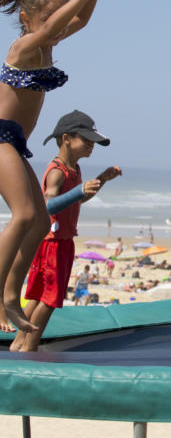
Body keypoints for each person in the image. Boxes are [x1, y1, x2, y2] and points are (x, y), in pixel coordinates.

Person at [0, 0, 114, 332]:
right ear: (26, 16)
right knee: (26, 216)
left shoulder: (48, 40)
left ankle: (9, 297)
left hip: (15, 143)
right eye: (50, 16)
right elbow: (54, 25)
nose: (59, 23)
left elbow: (79, 22)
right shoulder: (23, 47)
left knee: (36, 224)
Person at [10, 110, 121, 351]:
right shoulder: (58, 171)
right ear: (66, 138)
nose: (92, 146)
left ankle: (19, 344)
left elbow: (75, 201)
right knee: (49, 300)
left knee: (39, 296)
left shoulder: (74, 169)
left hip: (57, 239)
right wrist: (78, 192)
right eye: (87, 141)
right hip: (53, 241)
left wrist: (100, 180)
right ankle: (30, 346)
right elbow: (48, 204)